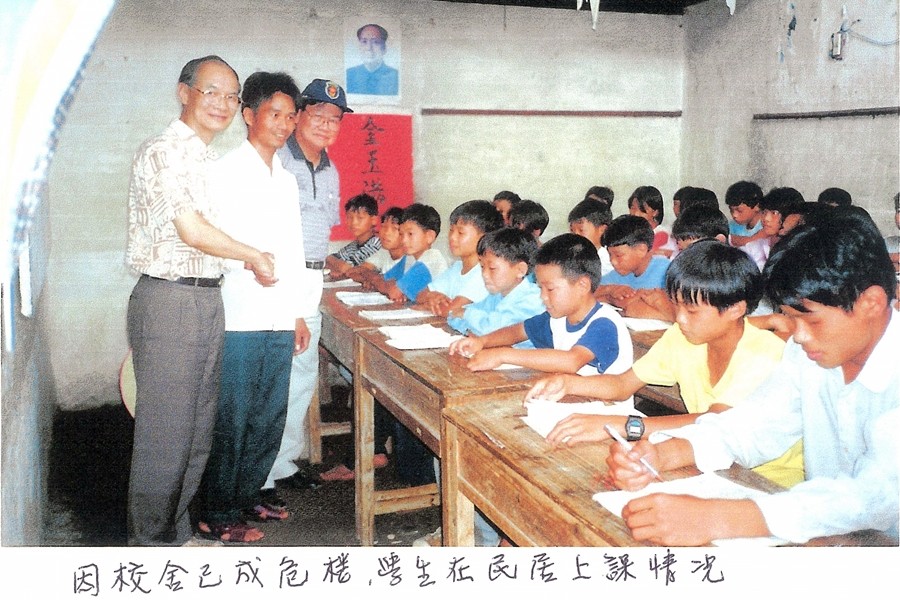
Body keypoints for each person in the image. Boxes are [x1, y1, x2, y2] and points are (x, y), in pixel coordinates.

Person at [606, 207, 898, 546]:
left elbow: (879, 494)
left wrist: (718, 519)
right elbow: (755, 424)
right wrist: (663, 453)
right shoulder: (808, 355)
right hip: (831, 539)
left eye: (812, 320)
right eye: (791, 318)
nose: (799, 335)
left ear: (871, 303)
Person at [124, 55, 275, 546]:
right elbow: (191, 230)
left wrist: (245, 258)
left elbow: (209, 236)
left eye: (231, 96)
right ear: (183, 92)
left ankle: (177, 533)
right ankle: (150, 546)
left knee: (196, 433)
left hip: (206, 298)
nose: (222, 104)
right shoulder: (164, 151)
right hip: (170, 300)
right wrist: (253, 255)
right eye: (211, 91)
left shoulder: (206, 160)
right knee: (166, 435)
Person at [527, 240, 804, 489]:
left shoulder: (764, 354)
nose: (680, 319)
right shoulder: (682, 337)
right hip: (705, 463)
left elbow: (715, 423)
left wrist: (621, 425)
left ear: (735, 309)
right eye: (676, 306)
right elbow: (623, 384)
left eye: (691, 310)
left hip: (767, 482)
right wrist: (568, 382)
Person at [197, 71, 317, 543]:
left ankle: (247, 495)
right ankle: (217, 511)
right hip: (239, 314)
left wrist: (297, 312)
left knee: (269, 414)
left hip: (279, 314)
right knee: (233, 417)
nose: (285, 124)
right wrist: (246, 261)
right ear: (249, 115)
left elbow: (292, 251)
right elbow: (210, 240)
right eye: (275, 114)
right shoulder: (225, 171)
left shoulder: (285, 179)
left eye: (291, 116)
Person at [263, 79, 353, 497]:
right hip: (280, 276)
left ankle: (282, 464)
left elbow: (320, 232)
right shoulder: (278, 160)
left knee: (301, 376)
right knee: (274, 376)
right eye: (318, 115)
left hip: (312, 277)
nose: (326, 125)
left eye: (334, 119)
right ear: (299, 116)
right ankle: (259, 476)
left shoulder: (331, 169)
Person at [448, 233, 632, 381]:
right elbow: (519, 331)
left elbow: (571, 361)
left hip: (605, 410)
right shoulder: (557, 318)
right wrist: (482, 342)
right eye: (540, 288)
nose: (543, 296)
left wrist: (502, 355)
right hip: (568, 400)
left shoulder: (604, 323)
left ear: (582, 285)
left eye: (550, 289)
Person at [622, 204, 730, 322]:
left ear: (718, 241)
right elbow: (634, 308)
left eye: (692, 248)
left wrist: (662, 307)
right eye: (682, 250)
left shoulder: (729, 278)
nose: (686, 257)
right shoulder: (685, 274)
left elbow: (705, 322)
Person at [447, 227, 545, 336]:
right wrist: (469, 328)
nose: (484, 274)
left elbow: (494, 331)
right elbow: (453, 316)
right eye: (482, 266)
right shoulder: (495, 296)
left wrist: (466, 314)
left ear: (520, 270)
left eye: (492, 268)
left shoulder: (534, 300)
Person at [416, 199, 502, 317]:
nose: (452, 237)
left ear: (484, 238)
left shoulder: (484, 273)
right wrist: (431, 297)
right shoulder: (456, 268)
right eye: (451, 230)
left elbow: (450, 310)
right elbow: (420, 295)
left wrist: (428, 305)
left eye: (460, 233)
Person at [594, 215, 671, 313]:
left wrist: (611, 298)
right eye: (610, 255)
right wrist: (609, 290)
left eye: (618, 255)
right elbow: (587, 293)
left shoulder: (667, 272)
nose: (612, 261)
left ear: (641, 250)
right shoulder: (618, 274)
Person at [381, 203, 448, 303]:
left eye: (410, 234)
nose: (404, 240)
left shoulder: (432, 259)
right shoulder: (410, 257)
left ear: (429, 236)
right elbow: (383, 279)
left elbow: (393, 292)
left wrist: (393, 288)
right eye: (401, 234)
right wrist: (389, 286)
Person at [740, 186, 804, 271]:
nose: (766, 218)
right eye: (764, 212)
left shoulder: (804, 249)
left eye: (774, 213)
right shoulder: (752, 249)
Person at [325, 193, 382, 278]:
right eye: (350, 217)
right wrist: (335, 264)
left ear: (374, 220)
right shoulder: (354, 245)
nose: (354, 223)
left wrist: (336, 264)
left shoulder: (376, 243)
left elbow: (346, 268)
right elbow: (329, 259)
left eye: (360, 218)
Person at [347, 206, 405, 287]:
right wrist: (372, 280)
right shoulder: (384, 252)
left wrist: (374, 280)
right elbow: (352, 272)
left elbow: (396, 287)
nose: (386, 233)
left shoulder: (409, 259)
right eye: (384, 226)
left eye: (394, 228)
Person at [346, 23, 399, 96]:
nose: (369, 48)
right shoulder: (349, 74)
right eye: (364, 42)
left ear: (384, 48)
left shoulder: (395, 76)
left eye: (375, 42)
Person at [568, 198, 614, 276]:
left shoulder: (609, 262)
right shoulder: (573, 257)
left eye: (581, 230)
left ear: (602, 229)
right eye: (572, 231)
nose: (575, 236)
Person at [627, 185, 675, 257]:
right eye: (633, 208)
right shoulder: (632, 232)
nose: (635, 213)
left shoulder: (662, 233)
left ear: (655, 212)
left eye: (641, 209)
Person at [724, 180, 765, 247]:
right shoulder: (731, 226)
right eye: (731, 210)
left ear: (757, 206)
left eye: (739, 210)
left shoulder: (767, 225)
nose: (734, 215)